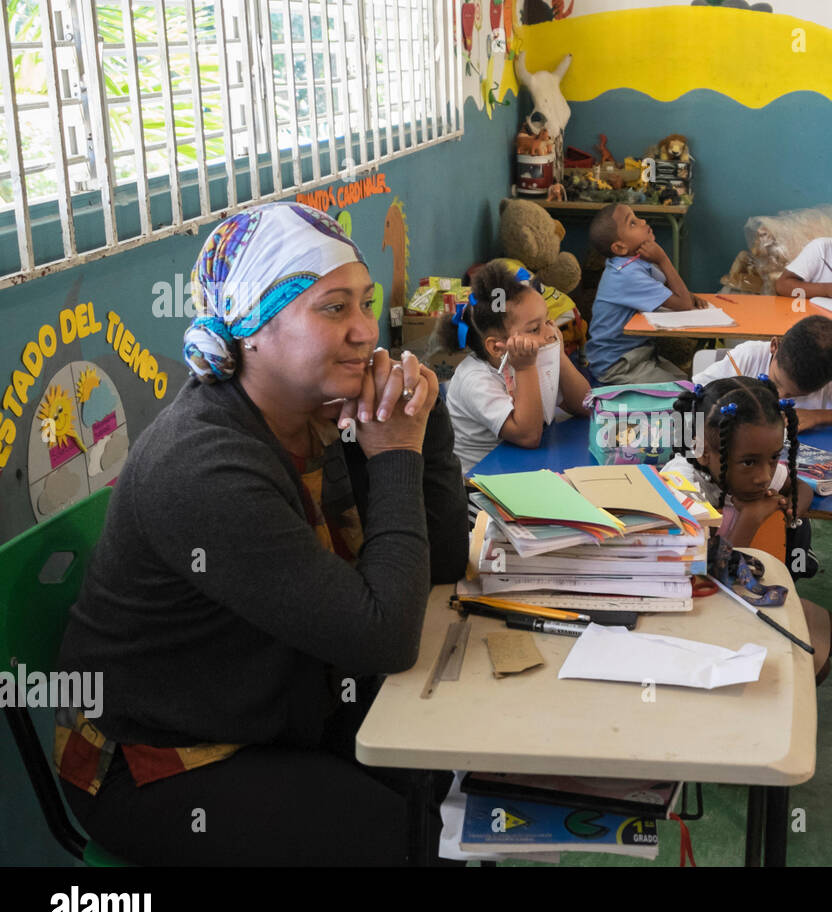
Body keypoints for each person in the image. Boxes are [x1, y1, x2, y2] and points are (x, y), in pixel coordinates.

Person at [55, 202, 468, 866]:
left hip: (281, 700)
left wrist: (426, 417)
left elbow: (439, 561)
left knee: (449, 768)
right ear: (250, 329)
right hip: (164, 763)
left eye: (364, 303)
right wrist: (393, 456)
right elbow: (383, 637)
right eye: (333, 309)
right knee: (410, 835)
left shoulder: (318, 414)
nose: (367, 330)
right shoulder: (203, 466)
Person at [662, 376, 832, 684]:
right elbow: (708, 572)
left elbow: (799, 487)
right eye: (749, 462)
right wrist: (751, 517)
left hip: (736, 593)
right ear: (704, 451)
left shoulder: (753, 464)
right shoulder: (682, 484)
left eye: (773, 458)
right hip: (694, 609)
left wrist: (791, 510)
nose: (764, 476)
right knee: (814, 666)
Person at [441, 260, 591, 473]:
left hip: (522, 465)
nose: (549, 332)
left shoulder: (528, 355)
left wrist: (558, 353)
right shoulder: (476, 380)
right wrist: (524, 369)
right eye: (534, 328)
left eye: (548, 321)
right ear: (496, 348)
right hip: (479, 485)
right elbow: (528, 435)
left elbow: (584, 405)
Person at [693, 315, 832, 430]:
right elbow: (691, 396)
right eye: (777, 382)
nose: (779, 397)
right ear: (774, 346)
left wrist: (817, 417)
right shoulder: (748, 358)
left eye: (794, 396)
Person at [586, 203, 703, 385]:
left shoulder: (633, 263)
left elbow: (670, 289)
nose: (643, 221)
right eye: (632, 223)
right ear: (620, 247)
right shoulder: (626, 275)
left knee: (684, 380)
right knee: (684, 393)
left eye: (637, 217)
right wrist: (663, 259)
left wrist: (688, 294)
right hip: (616, 364)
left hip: (638, 353)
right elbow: (683, 304)